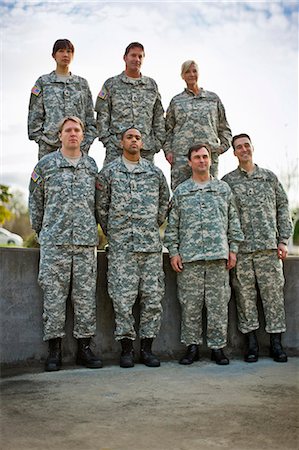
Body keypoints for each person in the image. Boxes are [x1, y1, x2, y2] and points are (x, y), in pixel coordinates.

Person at [29, 116, 102, 371]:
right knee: (53, 297)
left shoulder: (91, 166)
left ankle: (84, 348)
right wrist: (42, 232)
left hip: (84, 244)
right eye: (68, 130)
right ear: (59, 135)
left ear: (83, 136)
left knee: (84, 298)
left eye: (77, 130)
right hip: (54, 243)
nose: (73, 134)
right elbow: (35, 201)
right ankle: (54, 350)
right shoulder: (45, 165)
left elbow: (98, 203)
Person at [96, 127, 170, 368]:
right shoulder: (109, 173)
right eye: (130, 137)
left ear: (143, 142)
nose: (134, 140)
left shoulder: (155, 173)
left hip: (149, 247)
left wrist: (151, 225)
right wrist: (115, 232)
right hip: (121, 249)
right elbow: (101, 207)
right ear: (121, 142)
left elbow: (163, 203)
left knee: (152, 298)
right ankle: (126, 349)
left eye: (138, 137)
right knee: (122, 298)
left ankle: (147, 349)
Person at [164, 144, 243, 365]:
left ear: (210, 160)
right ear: (189, 162)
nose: (201, 160)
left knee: (218, 305)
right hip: (190, 259)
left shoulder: (223, 189)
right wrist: (173, 253)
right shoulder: (181, 192)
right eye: (197, 157)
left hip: (219, 258)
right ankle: (192, 347)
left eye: (205, 157)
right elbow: (173, 227)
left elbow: (233, 223)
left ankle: (218, 348)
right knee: (190, 305)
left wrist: (233, 250)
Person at [222, 133, 293, 363]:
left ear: (252, 148)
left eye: (247, 146)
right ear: (234, 153)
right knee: (245, 298)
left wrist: (283, 240)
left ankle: (276, 344)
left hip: (268, 250)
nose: (244, 150)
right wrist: (230, 248)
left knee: (273, 297)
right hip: (241, 252)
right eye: (239, 147)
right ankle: (251, 344)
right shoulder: (228, 182)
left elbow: (283, 207)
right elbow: (225, 217)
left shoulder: (269, 178)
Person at [164, 60, 232, 191]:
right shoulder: (176, 101)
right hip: (182, 158)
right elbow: (168, 130)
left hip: (207, 158)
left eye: (194, 71)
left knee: (210, 194)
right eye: (187, 72)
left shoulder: (213, 99)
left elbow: (224, 127)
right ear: (182, 76)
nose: (191, 74)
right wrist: (168, 152)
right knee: (181, 195)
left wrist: (220, 148)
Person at [95, 42, 165, 165]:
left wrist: (157, 143)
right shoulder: (111, 84)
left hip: (145, 151)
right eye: (133, 55)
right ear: (125, 58)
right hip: (116, 149)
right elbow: (102, 115)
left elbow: (158, 116)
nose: (136, 59)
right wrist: (108, 141)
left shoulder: (151, 85)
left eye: (140, 56)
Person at [28, 39, 97, 160]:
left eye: (69, 51)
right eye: (61, 51)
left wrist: (86, 142)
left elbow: (90, 116)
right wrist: (42, 140)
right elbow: (34, 114)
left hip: (78, 148)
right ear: (54, 55)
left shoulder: (81, 84)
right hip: (50, 147)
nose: (65, 55)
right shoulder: (43, 82)